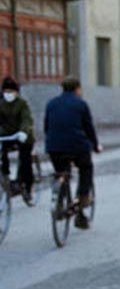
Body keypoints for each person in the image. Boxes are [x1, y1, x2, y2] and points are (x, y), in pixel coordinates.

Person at [44, 77, 103, 229]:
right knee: (86, 167)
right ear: (77, 88)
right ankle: (83, 197)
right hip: (77, 146)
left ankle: (61, 199)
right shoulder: (81, 104)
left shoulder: (51, 103)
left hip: (54, 147)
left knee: (62, 172)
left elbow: (46, 127)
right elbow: (89, 128)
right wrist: (96, 146)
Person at [0, 76, 35, 201]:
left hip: (23, 136)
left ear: (16, 92)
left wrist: (24, 132)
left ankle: (28, 186)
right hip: (7, 135)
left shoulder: (22, 103)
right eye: (6, 92)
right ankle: (6, 175)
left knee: (25, 160)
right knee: (2, 153)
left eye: (11, 92)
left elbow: (27, 119)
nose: (8, 94)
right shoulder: (1, 104)